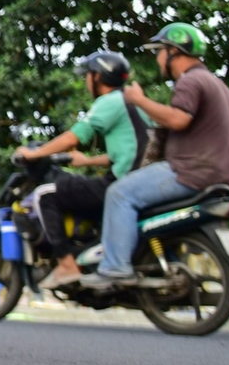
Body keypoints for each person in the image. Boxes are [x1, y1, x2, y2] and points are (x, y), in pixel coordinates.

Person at [85, 22, 229, 287]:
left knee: (119, 193)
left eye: (159, 51)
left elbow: (179, 120)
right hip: (219, 174)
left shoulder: (190, 81)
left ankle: (114, 268)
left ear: (173, 52)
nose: (157, 59)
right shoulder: (215, 82)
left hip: (189, 172)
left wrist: (140, 100)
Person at [13, 51, 150, 290]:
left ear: (98, 76)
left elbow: (74, 136)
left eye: (88, 76)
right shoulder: (135, 103)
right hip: (140, 178)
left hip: (121, 183)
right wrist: (87, 162)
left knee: (46, 194)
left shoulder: (110, 102)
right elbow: (127, 152)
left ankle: (66, 264)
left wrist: (35, 153)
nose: (86, 81)